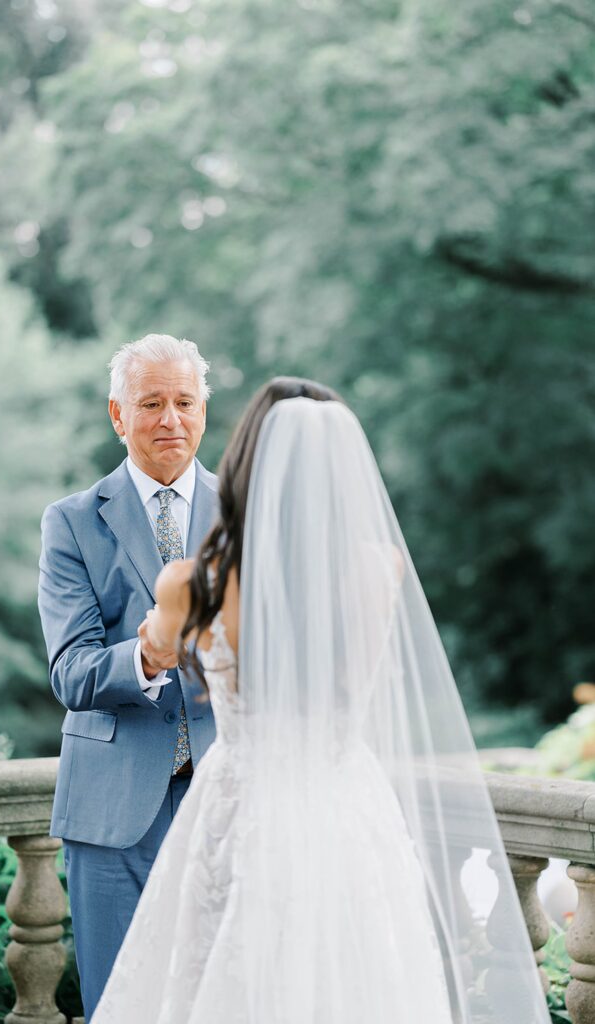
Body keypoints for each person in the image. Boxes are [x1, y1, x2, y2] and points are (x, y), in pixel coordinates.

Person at [91, 379, 551, 1024]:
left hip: (240, 802)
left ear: (245, 464)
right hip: (344, 800)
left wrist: (160, 630)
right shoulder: (377, 569)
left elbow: (159, 649)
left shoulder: (188, 583)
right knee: (357, 977)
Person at [37, 334, 219, 1020]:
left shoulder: (248, 514)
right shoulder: (72, 523)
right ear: (118, 415)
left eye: (183, 401)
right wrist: (149, 655)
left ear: (203, 409)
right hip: (112, 813)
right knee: (121, 1004)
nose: (170, 419)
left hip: (225, 799)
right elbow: (71, 671)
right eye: (151, 404)